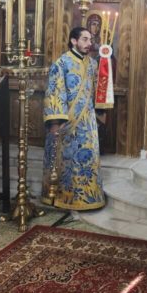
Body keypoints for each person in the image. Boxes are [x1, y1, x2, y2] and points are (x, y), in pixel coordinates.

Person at [41, 26, 105, 210]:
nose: (89, 43)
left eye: (90, 40)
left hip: (88, 122)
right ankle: (64, 198)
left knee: (87, 160)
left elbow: (97, 91)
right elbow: (55, 92)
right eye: (85, 39)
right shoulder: (62, 63)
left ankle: (88, 197)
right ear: (74, 41)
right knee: (67, 161)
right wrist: (55, 123)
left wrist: (100, 113)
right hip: (66, 122)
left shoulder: (92, 64)